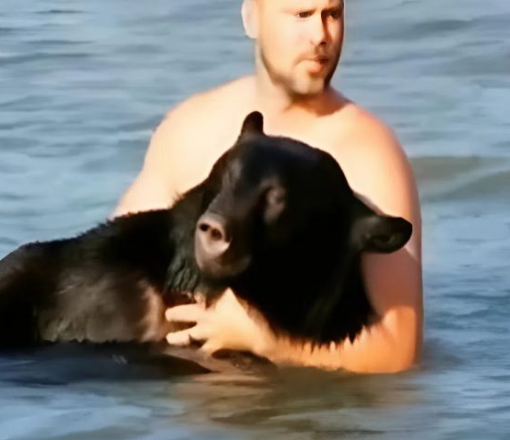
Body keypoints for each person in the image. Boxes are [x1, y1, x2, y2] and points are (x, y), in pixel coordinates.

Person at [112, 0, 423, 374]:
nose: (321, 35)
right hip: (180, 402)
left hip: (298, 405)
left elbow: (398, 349)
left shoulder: (368, 155)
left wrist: (267, 341)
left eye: (332, 14)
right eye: (302, 15)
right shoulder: (192, 128)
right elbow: (116, 267)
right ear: (251, 17)